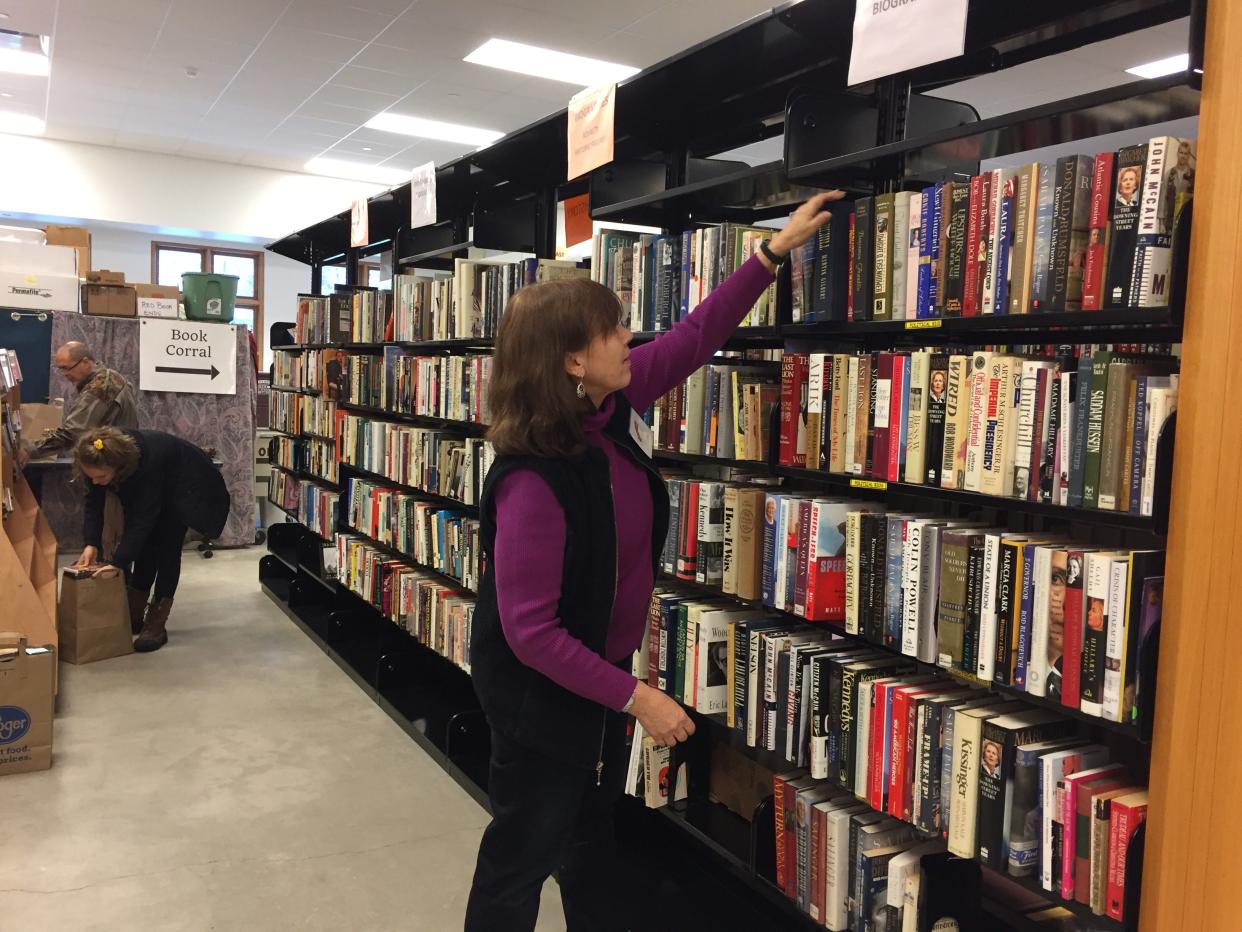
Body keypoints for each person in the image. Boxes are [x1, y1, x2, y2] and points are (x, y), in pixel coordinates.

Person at [463, 192, 842, 932]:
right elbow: (532, 634)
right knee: (522, 856)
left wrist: (771, 253)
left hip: (598, 687)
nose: (630, 336)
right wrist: (639, 698)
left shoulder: (613, 407)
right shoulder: (532, 479)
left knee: (589, 844)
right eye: (613, 329)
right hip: (542, 697)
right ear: (574, 359)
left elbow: (697, 336)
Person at [72, 427, 231, 652]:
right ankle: (135, 613)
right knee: (145, 547)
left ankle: (156, 623)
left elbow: (141, 520)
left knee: (167, 547)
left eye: (101, 477)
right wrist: (91, 543)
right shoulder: (97, 463)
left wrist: (117, 563)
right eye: (92, 477)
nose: (96, 482)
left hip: (187, 486)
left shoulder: (147, 464)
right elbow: (93, 504)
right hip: (159, 482)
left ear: (118, 467)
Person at [18, 341, 138, 466]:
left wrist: (29, 450)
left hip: (112, 463)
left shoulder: (100, 386)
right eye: (60, 369)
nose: (64, 374)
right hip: (121, 458)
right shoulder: (111, 376)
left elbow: (72, 432)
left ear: (85, 362)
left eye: (66, 368)